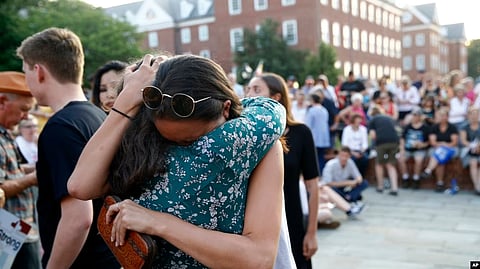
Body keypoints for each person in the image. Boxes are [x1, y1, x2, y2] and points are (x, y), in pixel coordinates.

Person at [68, 54, 289, 268]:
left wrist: (158, 222)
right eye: (171, 141)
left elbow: (258, 259)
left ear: (226, 108)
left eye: (192, 140)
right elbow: (80, 186)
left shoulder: (260, 145)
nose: (190, 150)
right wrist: (126, 102)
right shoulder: (145, 145)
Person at [17, 27, 120, 268]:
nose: (27, 81)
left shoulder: (60, 127)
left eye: (26, 73)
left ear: (38, 71)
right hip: (108, 255)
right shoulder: (96, 115)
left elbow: (78, 219)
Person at [246, 72, 318, 269]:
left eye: (257, 89)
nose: (249, 94)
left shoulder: (301, 133)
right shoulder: (247, 137)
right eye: (248, 89)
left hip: (293, 221)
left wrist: (311, 232)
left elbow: (313, 186)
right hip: (256, 224)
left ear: (276, 97)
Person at [0, 71, 40, 269]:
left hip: (18, 229)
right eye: (24, 109)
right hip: (10, 232)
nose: (26, 117)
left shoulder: (6, 133)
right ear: (2, 101)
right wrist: (33, 178)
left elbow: (11, 170)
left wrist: (32, 170)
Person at [420, 107, 459, 192]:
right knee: (440, 158)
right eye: (440, 116)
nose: (442, 117)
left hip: (450, 149)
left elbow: (454, 142)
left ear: (447, 117)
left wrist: (444, 145)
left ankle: (429, 171)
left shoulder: (452, 127)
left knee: (439, 155)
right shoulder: (434, 127)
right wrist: (442, 144)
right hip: (437, 148)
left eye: (444, 115)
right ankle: (439, 183)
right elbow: (432, 142)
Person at [368, 106, 400, 195]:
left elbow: (373, 135)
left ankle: (380, 186)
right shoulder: (389, 118)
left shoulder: (373, 120)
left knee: (379, 164)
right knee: (391, 165)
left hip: (381, 142)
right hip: (394, 141)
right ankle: (394, 188)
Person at [398, 107, 431, 189]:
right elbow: (402, 138)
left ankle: (416, 179)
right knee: (400, 158)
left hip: (419, 149)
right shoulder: (408, 126)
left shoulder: (425, 127)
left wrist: (421, 144)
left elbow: (429, 142)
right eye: (413, 115)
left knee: (418, 160)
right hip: (407, 149)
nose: (414, 117)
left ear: (420, 117)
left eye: (416, 115)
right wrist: (402, 149)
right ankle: (405, 177)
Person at [305, 93, 331, 174]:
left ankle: (315, 173)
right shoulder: (324, 110)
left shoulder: (312, 110)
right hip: (323, 137)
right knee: (321, 156)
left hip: (314, 137)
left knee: (313, 157)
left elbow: (308, 124)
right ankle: (321, 173)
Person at [459, 107, 480, 195]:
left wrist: (478, 147)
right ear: (469, 115)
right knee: (473, 162)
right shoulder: (464, 126)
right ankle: (477, 187)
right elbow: (463, 141)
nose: (474, 116)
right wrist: (473, 147)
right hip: (468, 150)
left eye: (476, 114)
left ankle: (478, 186)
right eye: (472, 114)